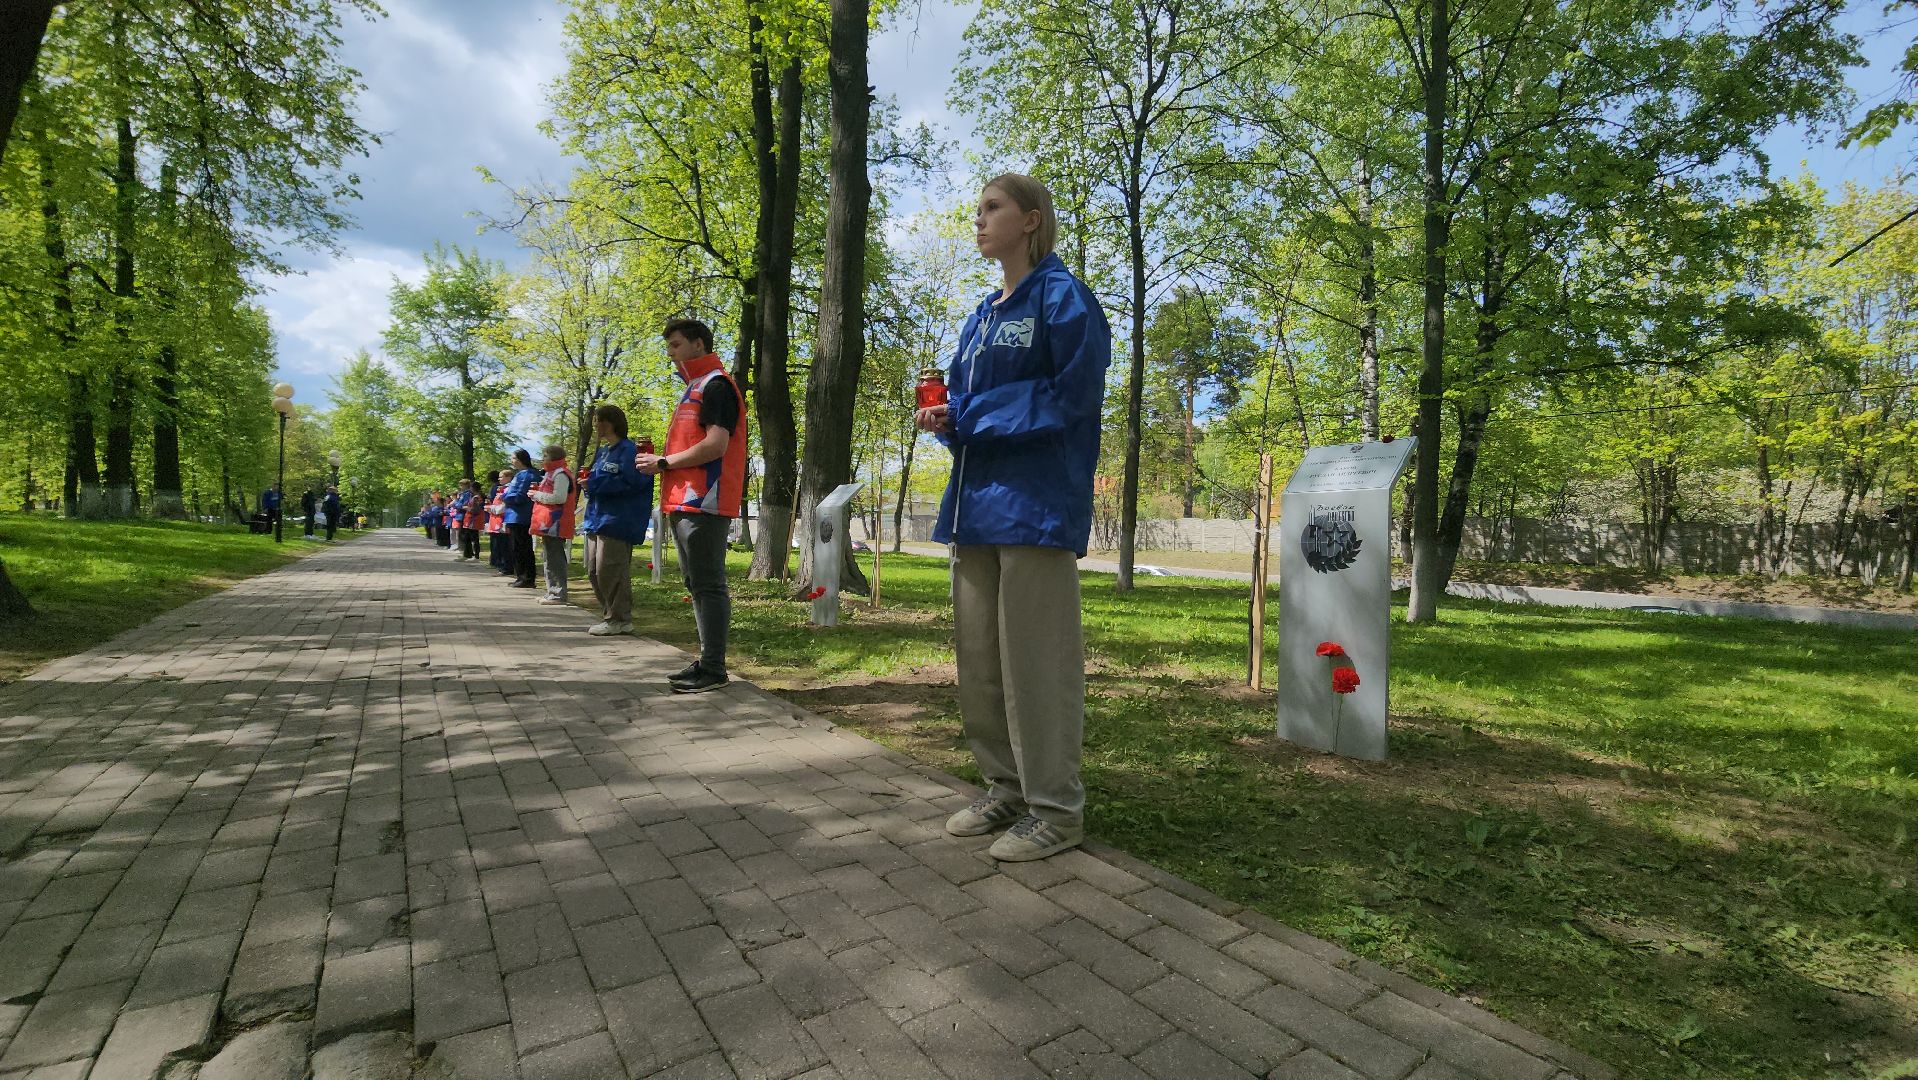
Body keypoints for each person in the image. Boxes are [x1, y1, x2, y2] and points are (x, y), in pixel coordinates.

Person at [916, 173, 1110, 862]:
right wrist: (943, 420)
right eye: (976, 210)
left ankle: (1057, 810)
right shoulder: (980, 316)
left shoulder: (1063, 299)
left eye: (992, 208)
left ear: (1030, 221)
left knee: (1036, 666)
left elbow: (1071, 397)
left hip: (1034, 509)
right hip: (974, 510)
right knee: (981, 664)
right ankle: (1004, 787)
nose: (978, 220)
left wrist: (969, 415)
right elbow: (970, 410)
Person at [636, 318, 747, 694]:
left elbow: (717, 445)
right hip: (685, 500)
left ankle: (714, 669)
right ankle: (707, 661)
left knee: (708, 584)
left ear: (699, 344)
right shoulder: (695, 387)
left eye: (676, 345)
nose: (671, 353)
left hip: (704, 500)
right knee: (697, 583)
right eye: (669, 346)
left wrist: (663, 463)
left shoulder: (715, 385)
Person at [579, 405, 654, 636]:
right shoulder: (603, 452)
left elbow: (634, 483)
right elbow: (597, 481)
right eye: (596, 422)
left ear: (614, 423)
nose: (598, 426)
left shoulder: (630, 451)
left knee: (610, 569)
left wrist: (594, 485)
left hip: (618, 519)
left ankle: (620, 619)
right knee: (593, 571)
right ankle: (609, 614)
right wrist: (589, 486)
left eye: (603, 421)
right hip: (596, 518)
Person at [528, 444, 579, 606]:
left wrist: (537, 495)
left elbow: (559, 498)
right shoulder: (552, 473)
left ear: (552, 457)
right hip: (548, 523)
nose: (543, 459)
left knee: (555, 559)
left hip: (556, 523)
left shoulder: (560, 474)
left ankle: (558, 594)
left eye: (545, 456)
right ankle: (552, 592)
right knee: (549, 558)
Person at [501, 450, 539, 588]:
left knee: (523, 547)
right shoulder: (520, 475)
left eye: (513, 458)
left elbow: (520, 496)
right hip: (513, 515)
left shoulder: (528, 475)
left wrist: (505, 497)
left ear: (521, 459)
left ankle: (527, 578)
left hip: (521, 516)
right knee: (516, 548)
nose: (512, 460)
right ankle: (520, 575)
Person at [487, 470, 512, 574]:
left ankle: (506, 566)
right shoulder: (500, 489)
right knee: (499, 544)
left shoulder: (509, 488)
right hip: (496, 520)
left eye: (501, 477)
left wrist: (492, 509)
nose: (499, 479)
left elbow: (505, 506)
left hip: (503, 520)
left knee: (504, 545)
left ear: (508, 477)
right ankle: (500, 564)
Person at [457, 479, 482, 560]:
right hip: (469, 519)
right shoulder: (471, 496)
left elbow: (475, 509)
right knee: (467, 537)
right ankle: (468, 554)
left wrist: (465, 507)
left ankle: (475, 555)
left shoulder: (475, 497)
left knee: (473, 537)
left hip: (473, 520)